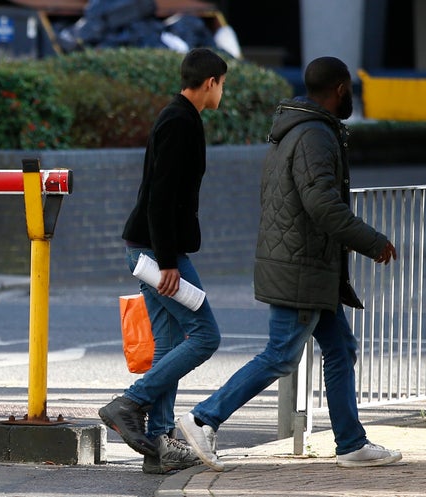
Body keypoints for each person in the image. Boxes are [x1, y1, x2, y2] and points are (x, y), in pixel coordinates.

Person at [176, 56, 402, 471]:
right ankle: (201, 418)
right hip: (302, 267)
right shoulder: (314, 135)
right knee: (280, 355)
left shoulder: (297, 130)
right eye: (350, 88)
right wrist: (372, 241)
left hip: (311, 267)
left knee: (340, 349)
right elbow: (321, 203)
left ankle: (351, 444)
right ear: (339, 89)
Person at [98, 47, 225, 474]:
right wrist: (168, 261)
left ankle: (159, 443)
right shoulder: (179, 122)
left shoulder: (181, 117)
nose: (222, 92)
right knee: (205, 335)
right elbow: (160, 197)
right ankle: (130, 402)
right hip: (157, 252)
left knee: (169, 344)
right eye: (223, 84)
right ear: (211, 82)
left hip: (152, 248)